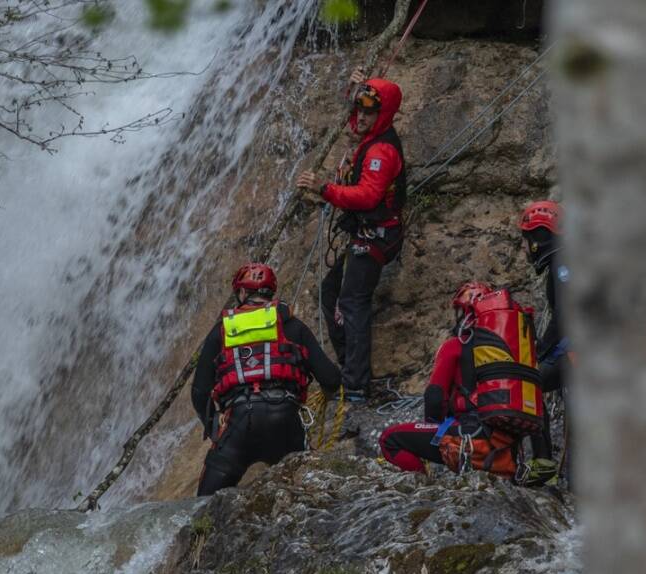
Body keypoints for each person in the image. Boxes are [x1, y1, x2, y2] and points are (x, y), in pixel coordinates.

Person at [296, 72, 407, 403]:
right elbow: (353, 122)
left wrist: (324, 189)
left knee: (352, 303)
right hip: (367, 233)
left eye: (368, 111)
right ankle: (350, 369)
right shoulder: (372, 135)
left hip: (376, 236)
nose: (360, 116)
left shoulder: (381, 151)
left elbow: (368, 197)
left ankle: (356, 384)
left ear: (383, 114)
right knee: (331, 293)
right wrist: (353, 88)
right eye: (359, 108)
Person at [190, 263, 342, 496]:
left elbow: (200, 391)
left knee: (202, 508)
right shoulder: (292, 325)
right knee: (311, 495)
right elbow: (330, 378)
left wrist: (213, 425)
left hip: (240, 422)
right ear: (271, 292)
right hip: (286, 420)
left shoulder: (222, 330)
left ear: (241, 293)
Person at [378, 281, 549, 483]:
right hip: (507, 453)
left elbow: (434, 396)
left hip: (468, 440)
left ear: (467, 314)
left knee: (390, 439)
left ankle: (423, 489)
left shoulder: (455, 346)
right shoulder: (516, 356)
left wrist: (436, 432)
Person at [520, 200, 569, 482]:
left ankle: (544, 469)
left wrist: (538, 352)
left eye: (530, 240)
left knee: (529, 385)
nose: (528, 249)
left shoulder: (564, 266)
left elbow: (565, 317)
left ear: (542, 236)